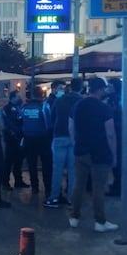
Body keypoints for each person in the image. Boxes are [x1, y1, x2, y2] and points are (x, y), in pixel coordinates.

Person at [68, 77, 118, 232]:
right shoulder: (103, 108)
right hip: (100, 152)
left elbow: (70, 126)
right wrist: (114, 154)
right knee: (98, 188)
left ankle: (74, 217)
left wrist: (75, 143)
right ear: (100, 90)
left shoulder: (78, 105)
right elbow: (110, 133)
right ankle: (99, 221)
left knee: (78, 185)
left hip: (81, 151)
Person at [43, 78, 83, 208]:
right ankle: (72, 198)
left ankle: (54, 197)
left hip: (59, 135)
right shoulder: (82, 101)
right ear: (81, 88)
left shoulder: (59, 100)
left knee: (57, 169)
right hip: (75, 138)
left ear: (70, 87)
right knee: (72, 170)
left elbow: (52, 117)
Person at [21, 86, 52, 197]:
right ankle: (48, 187)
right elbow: (49, 124)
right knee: (46, 164)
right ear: (42, 95)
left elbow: (22, 122)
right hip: (43, 139)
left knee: (32, 164)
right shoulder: (44, 106)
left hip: (28, 139)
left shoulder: (24, 107)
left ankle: (35, 187)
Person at [1, 90, 30, 190]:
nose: (20, 98)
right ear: (12, 98)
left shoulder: (19, 108)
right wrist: (19, 130)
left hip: (19, 138)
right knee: (9, 161)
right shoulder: (7, 109)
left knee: (18, 161)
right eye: (18, 96)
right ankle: (5, 182)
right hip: (11, 138)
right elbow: (9, 123)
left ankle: (18, 181)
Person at [105, 77, 122, 197]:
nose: (108, 89)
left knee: (116, 162)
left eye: (110, 86)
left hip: (116, 132)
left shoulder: (114, 99)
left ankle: (117, 186)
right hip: (119, 132)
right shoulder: (120, 97)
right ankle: (117, 184)